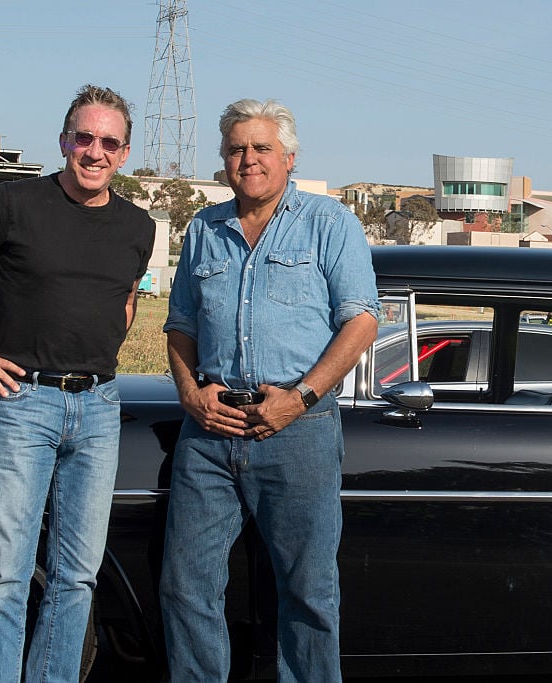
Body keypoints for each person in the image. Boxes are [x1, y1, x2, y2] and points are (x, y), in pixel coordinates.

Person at [0, 84, 155, 682]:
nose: (95, 152)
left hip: (97, 408)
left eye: (109, 143)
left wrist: (94, 356)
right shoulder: (14, 204)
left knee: (77, 576)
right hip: (22, 404)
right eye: (84, 138)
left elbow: (123, 303)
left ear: (124, 154)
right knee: (4, 575)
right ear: (65, 140)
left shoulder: (139, 228)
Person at [159, 98, 380, 682]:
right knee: (186, 587)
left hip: (298, 429)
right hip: (209, 431)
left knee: (308, 591)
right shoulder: (204, 229)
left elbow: (361, 320)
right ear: (224, 160)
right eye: (236, 149)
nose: (248, 159)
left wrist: (300, 398)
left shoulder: (329, 223)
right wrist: (189, 391)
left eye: (261, 148)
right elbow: (179, 323)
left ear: (288, 158)